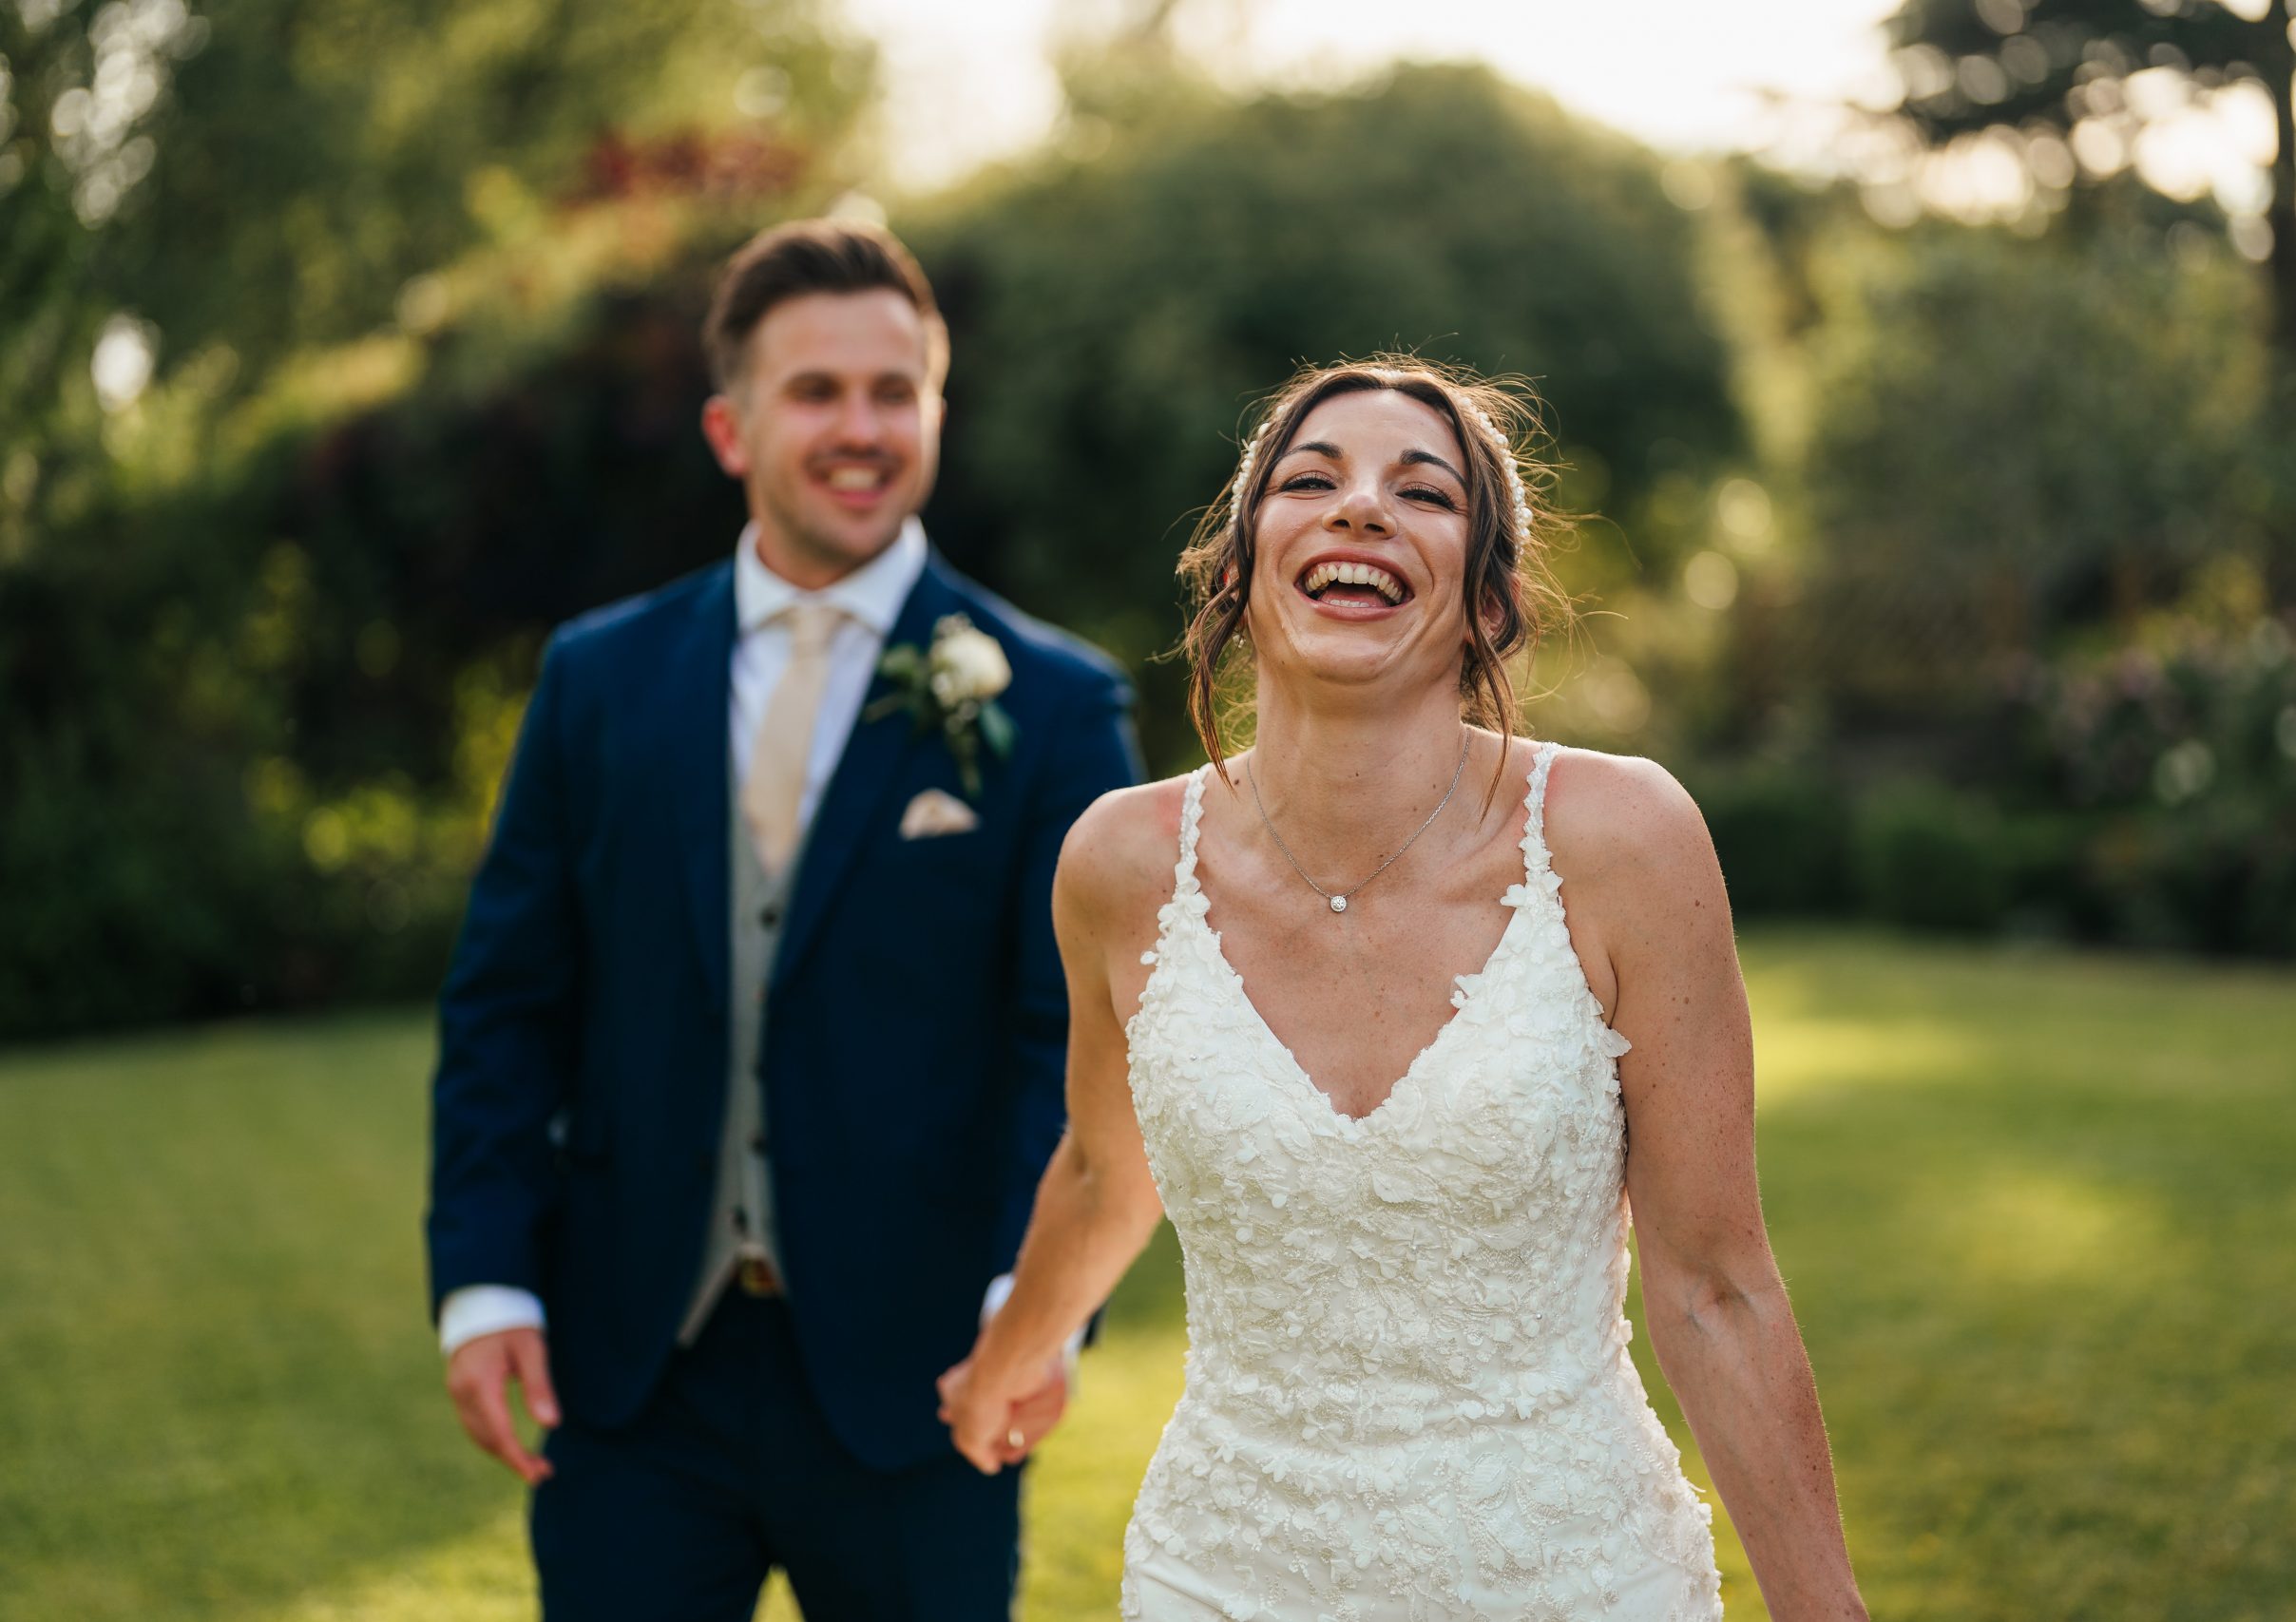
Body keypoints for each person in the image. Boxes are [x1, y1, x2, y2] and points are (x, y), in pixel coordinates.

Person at [937, 357, 1869, 1619]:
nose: (1361, 508)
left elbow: (1713, 1284)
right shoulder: (1119, 863)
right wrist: (1008, 1357)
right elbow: (1107, 1174)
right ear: (1238, 569)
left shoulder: (1623, 840)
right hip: (1226, 1574)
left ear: (1488, 606)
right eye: (1312, 480)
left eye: (1421, 494)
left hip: (1573, 1574)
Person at [425, 217, 1140, 1619]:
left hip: (927, 1382)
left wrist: (1028, 1307)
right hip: (632, 1371)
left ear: (936, 412)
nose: (860, 427)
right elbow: (510, 1004)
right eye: (816, 391)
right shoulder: (598, 682)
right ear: (730, 428)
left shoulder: (1053, 707)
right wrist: (488, 1286)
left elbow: (1075, 1045)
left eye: (895, 392)